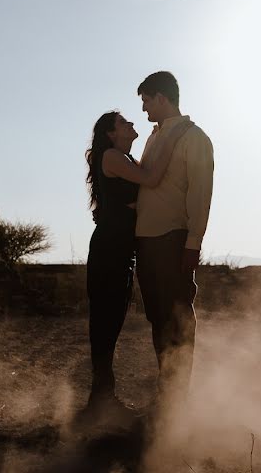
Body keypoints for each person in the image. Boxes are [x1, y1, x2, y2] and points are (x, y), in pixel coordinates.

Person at [82, 110, 191, 423]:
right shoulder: (113, 157)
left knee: (111, 324)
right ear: (111, 134)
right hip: (108, 251)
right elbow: (153, 178)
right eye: (123, 122)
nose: (131, 123)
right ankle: (100, 403)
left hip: (120, 252)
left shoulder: (125, 160)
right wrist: (172, 135)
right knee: (104, 325)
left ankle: (101, 400)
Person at [134, 71, 214, 415]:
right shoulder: (154, 138)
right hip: (146, 242)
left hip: (173, 239)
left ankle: (177, 401)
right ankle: (166, 392)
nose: (144, 109)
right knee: (157, 319)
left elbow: (200, 192)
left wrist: (193, 242)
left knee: (179, 318)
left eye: (146, 101)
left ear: (162, 98)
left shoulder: (195, 138)